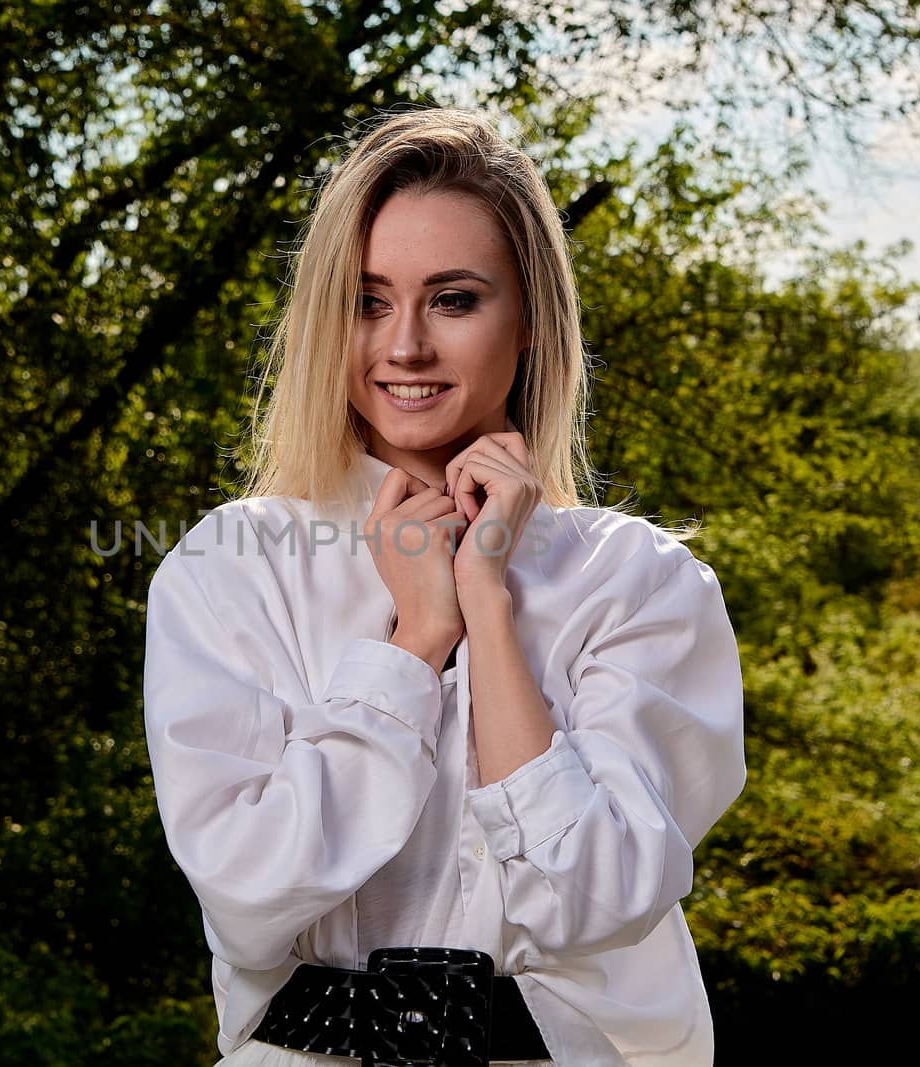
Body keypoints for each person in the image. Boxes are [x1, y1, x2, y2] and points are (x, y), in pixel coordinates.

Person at [142, 106, 746, 1067]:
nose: (406, 346)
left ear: (533, 319)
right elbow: (248, 888)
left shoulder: (638, 582)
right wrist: (417, 639)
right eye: (367, 300)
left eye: (455, 299)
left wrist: (487, 607)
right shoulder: (230, 568)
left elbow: (599, 897)